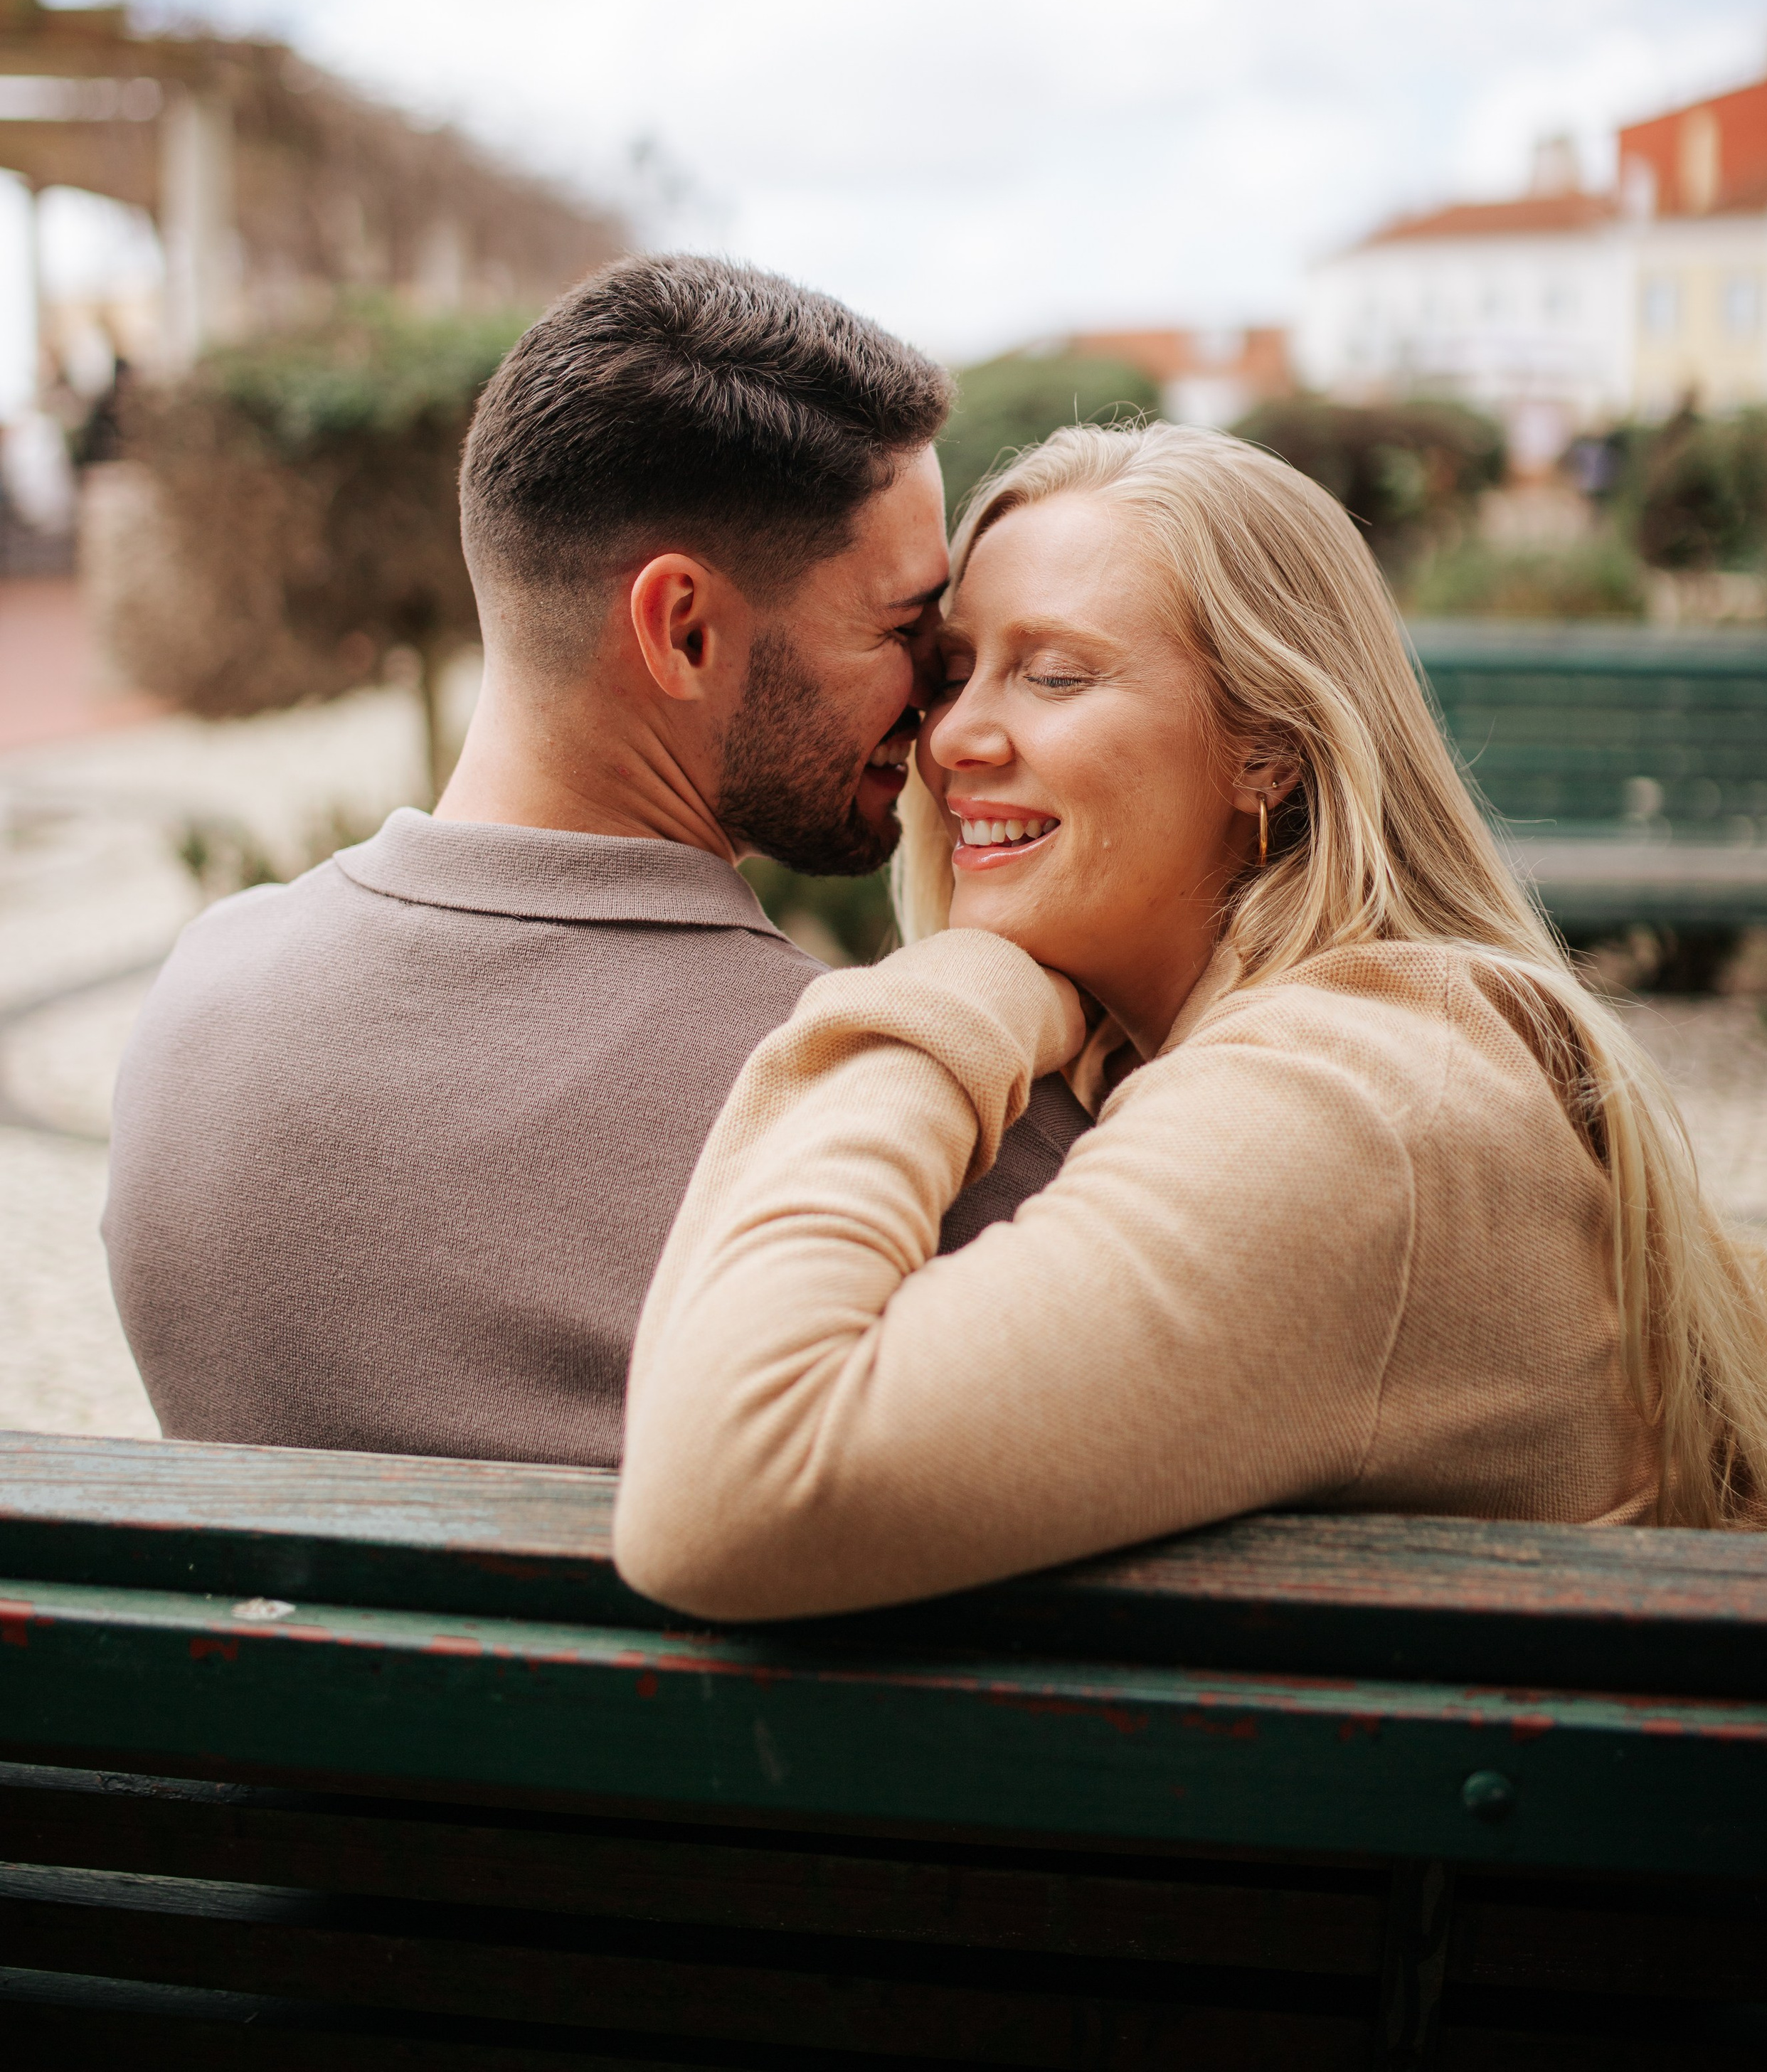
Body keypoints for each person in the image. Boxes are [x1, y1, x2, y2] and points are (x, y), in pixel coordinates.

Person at [616, 421, 1767, 1619]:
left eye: (1055, 674)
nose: (953, 741)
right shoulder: (1288, 1047)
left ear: (1269, 749)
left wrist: (940, 997)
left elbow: (728, 1491)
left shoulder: (1353, 1101)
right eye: (951, 673)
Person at [104, 258, 1086, 1465]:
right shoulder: (898, 1112)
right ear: (682, 628)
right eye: (900, 628)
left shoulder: (200, 1003)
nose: (940, 695)